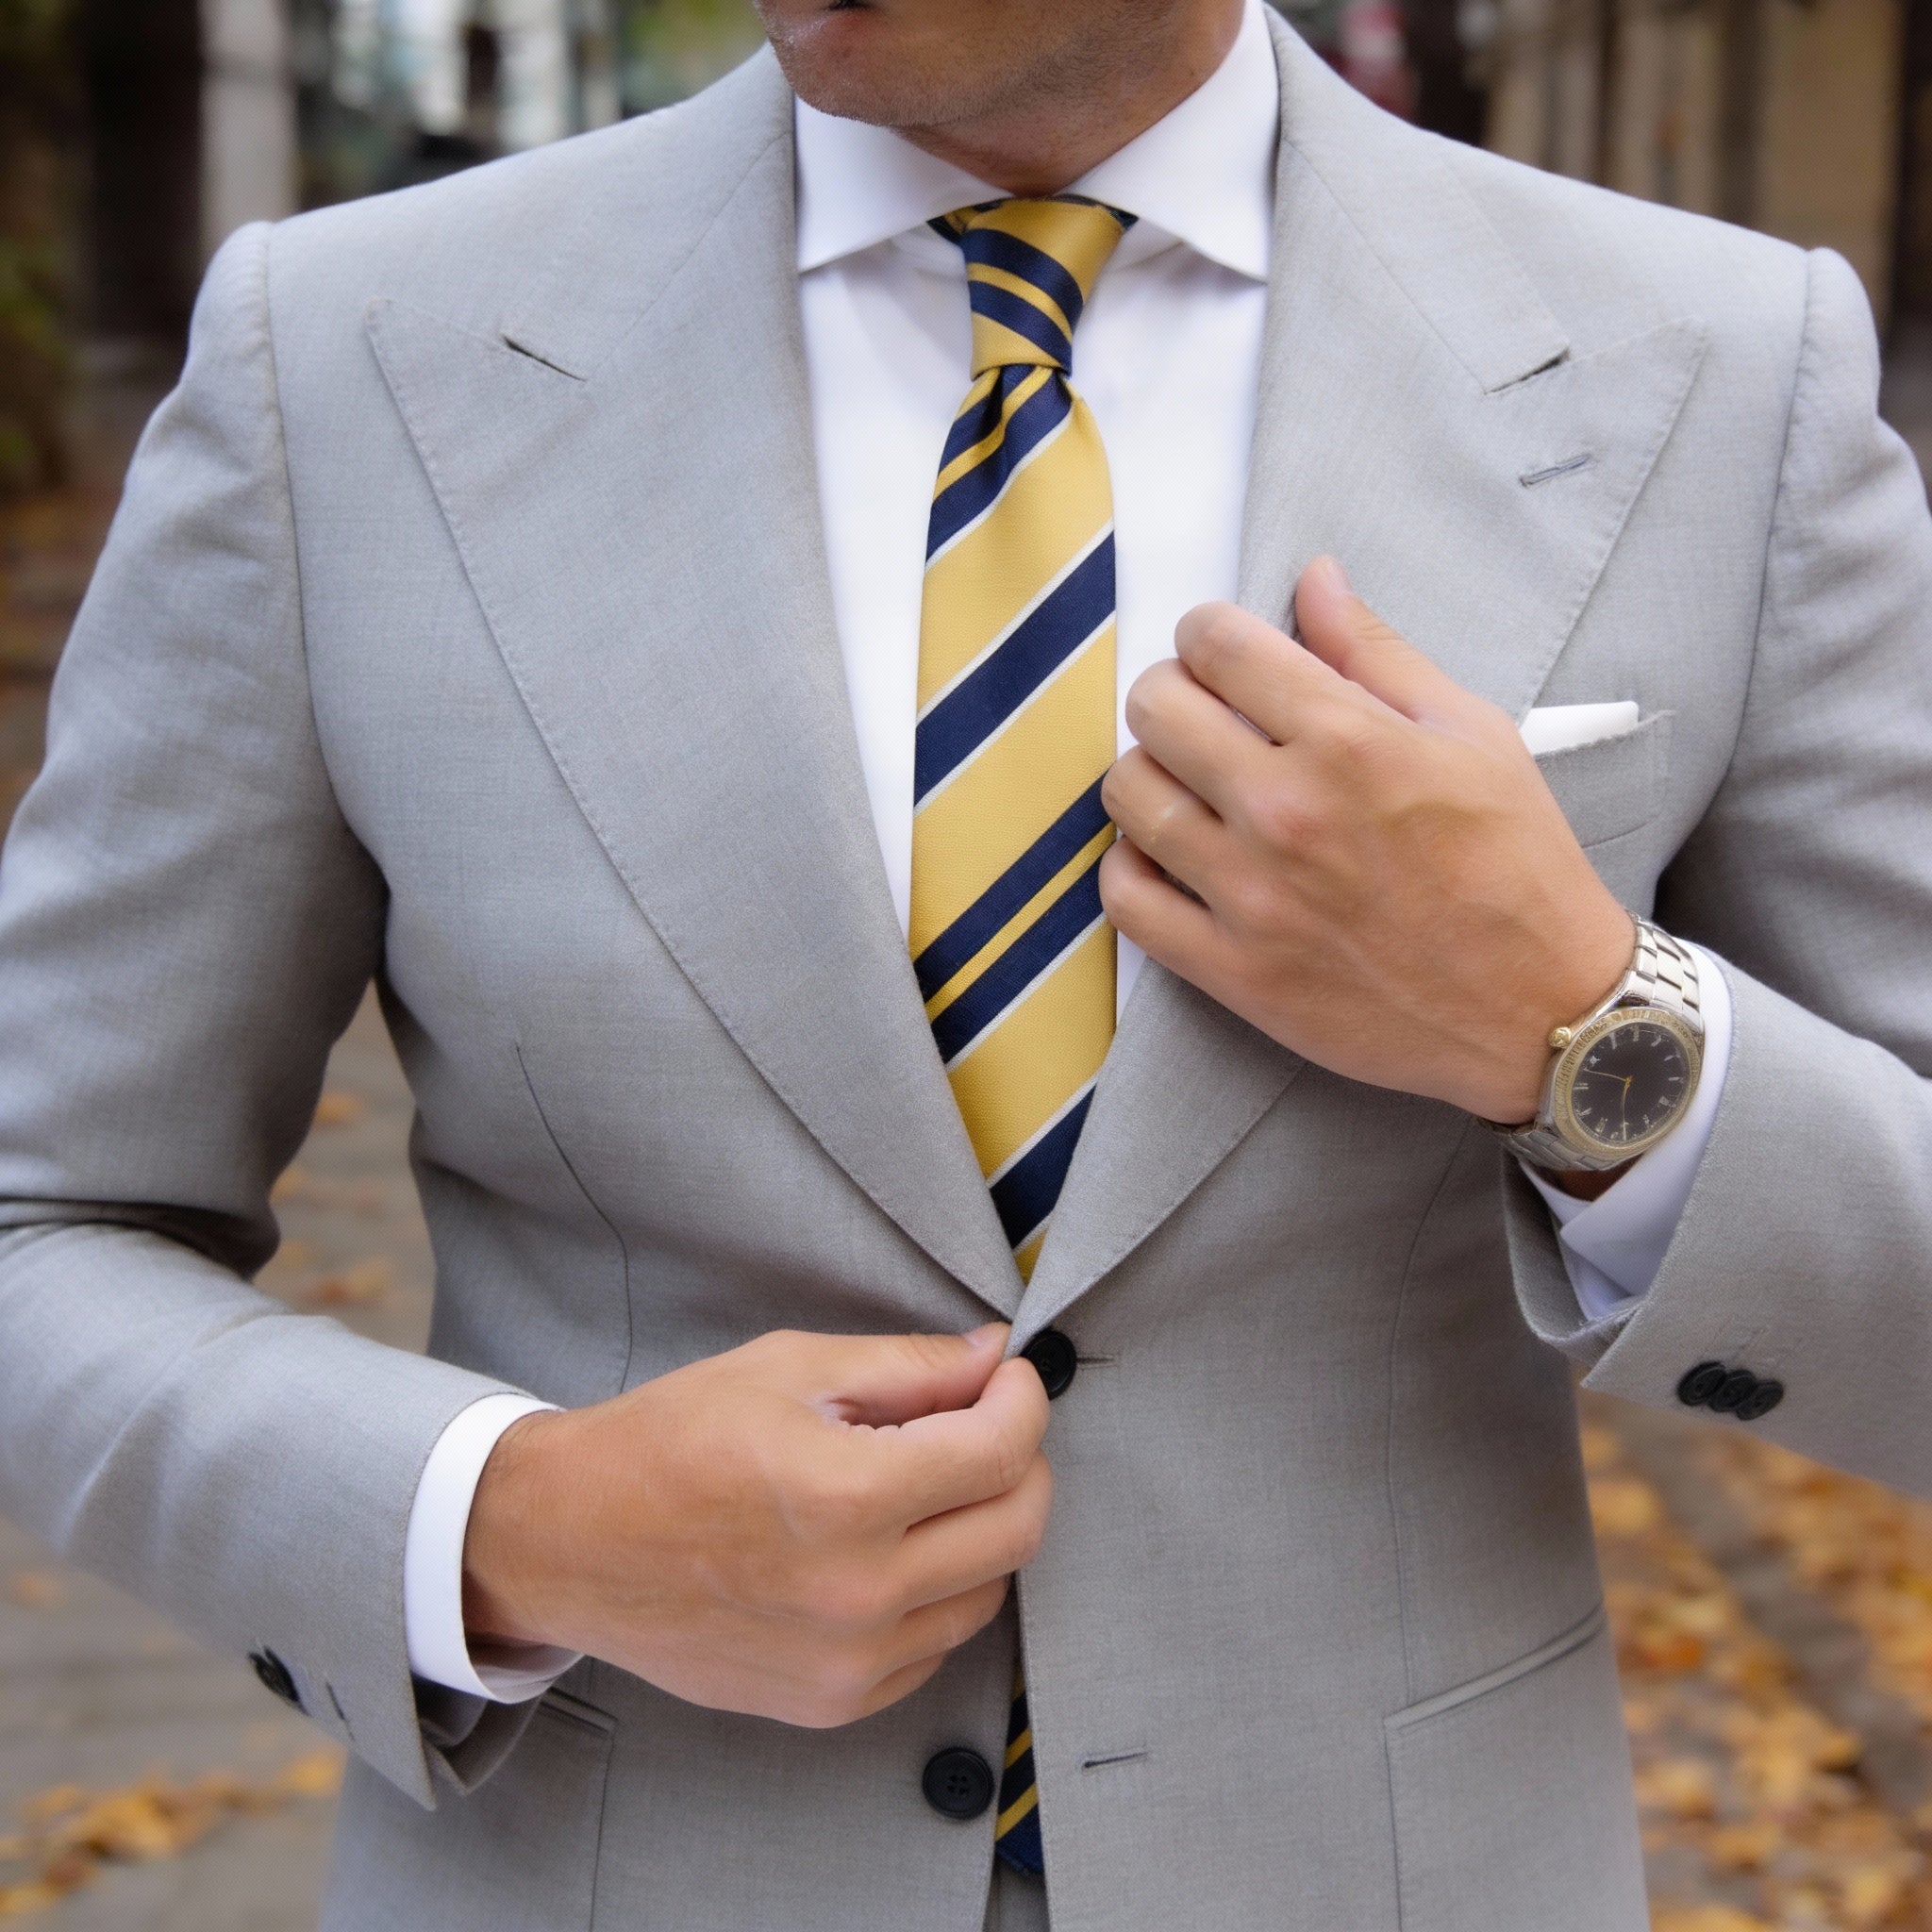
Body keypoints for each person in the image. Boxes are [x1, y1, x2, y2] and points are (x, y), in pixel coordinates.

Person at [1, 0, 1927, 1924]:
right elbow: (44, 1218)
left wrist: (1584, 1033)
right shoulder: (340, 363)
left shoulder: (1718, 377)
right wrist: (512, 1526)